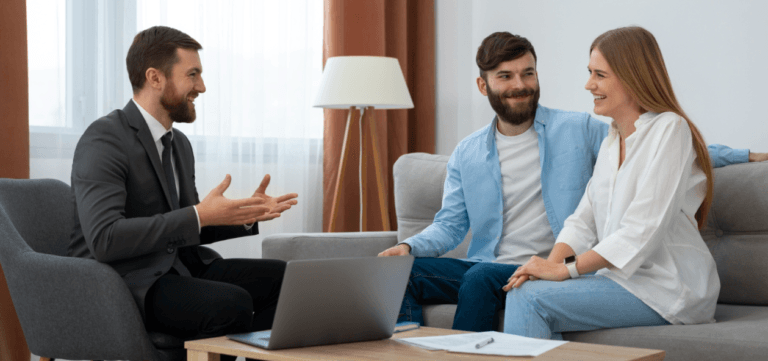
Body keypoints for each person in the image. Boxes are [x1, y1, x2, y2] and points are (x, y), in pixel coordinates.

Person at [379, 31, 764, 332]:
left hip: (625, 277)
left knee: (491, 282)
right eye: (506, 76)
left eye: (528, 73)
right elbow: (581, 217)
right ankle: (406, 348)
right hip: (509, 265)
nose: (520, 84)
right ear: (484, 86)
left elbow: (668, 165)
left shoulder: (582, 130)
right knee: (404, 270)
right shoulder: (612, 139)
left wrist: (742, 155)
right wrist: (410, 245)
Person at [68, 26, 298, 348]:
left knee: (289, 281)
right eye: (193, 75)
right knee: (232, 303)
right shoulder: (105, 139)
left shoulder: (179, 145)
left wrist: (242, 213)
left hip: (178, 268)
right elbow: (105, 240)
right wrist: (199, 215)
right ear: (155, 78)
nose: (201, 87)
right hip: (129, 280)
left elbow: (187, 228)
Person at [503, 26, 724, 339]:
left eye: (600, 75)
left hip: (668, 287)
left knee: (530, 300)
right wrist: (545, 269)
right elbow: (582, 222)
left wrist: (566, 270)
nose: (588, 84)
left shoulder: (670, 130)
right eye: (590, 72)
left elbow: (641, 230)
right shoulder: (612, 140)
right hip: (618, 280)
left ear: (633, 78)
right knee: (527, 290)